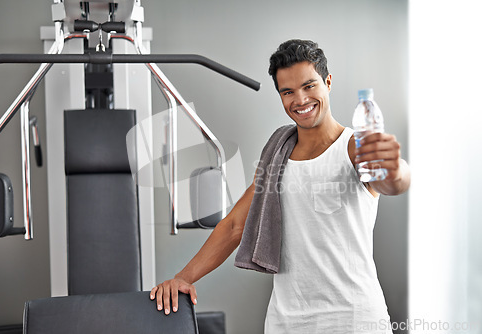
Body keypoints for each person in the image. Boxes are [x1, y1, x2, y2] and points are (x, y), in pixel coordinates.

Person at [150, 39, 411, 333]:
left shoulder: (353, 147)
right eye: (288, 92)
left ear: (327, 82)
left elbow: (392, 182)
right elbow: (236, 224)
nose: (300, 100)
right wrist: (184, 277)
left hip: (352, 319)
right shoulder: (279, 153)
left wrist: (394, 167)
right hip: (287, 321)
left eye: (309, 86)